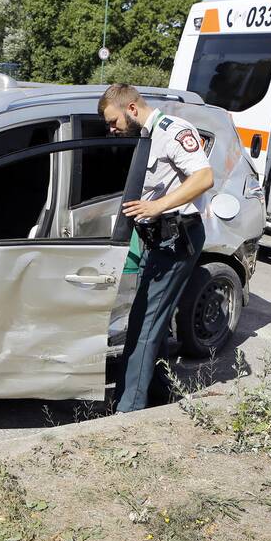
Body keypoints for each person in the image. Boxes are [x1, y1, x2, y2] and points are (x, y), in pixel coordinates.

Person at [99, 84, 214, 413]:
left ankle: (127, 411)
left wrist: (157, 206)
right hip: (155, 237)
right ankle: (161, 392)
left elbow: (204, 177)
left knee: (144, 323)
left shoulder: (174, 132)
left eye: (113, 121)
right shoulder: (143, 135)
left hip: (176, 238)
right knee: (156, 321)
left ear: (131, 109)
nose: (111, 129)